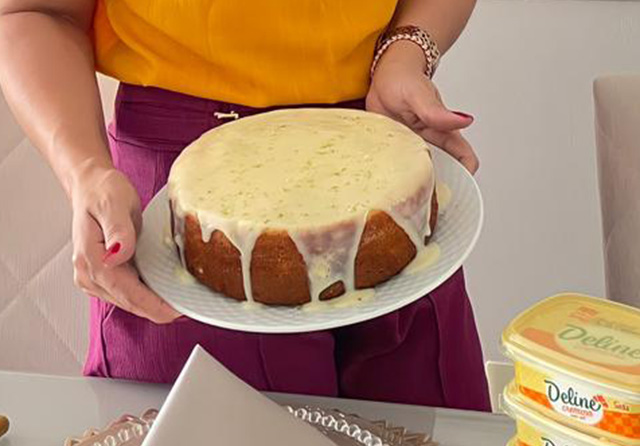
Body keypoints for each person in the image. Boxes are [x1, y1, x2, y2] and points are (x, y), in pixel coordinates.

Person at [0, 0, 489, 410]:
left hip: (378, 163)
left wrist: (405, 51)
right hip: (188, 205)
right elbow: (35, 10)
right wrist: (86, 170)